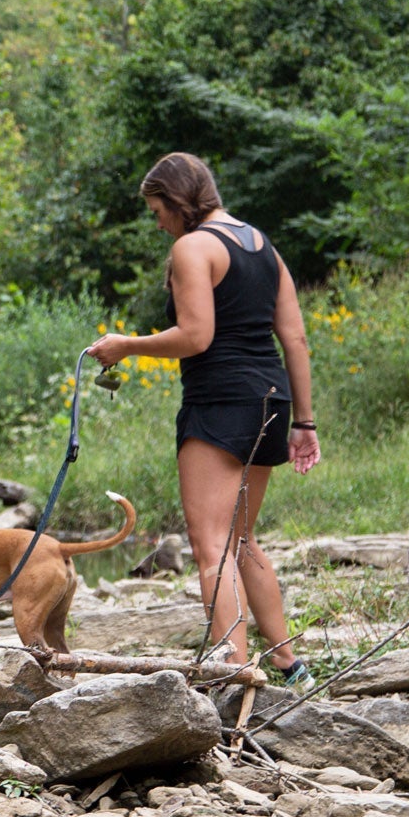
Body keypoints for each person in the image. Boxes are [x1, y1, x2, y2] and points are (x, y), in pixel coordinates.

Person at [85, 152, 320, 686]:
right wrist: (304, 422)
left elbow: (197, 336)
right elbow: (296, 339)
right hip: (271, 398)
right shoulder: (263, 246)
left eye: (158, 210)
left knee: (211, 545)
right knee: (241, 539)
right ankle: (290, 664)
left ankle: (236, 671)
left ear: (178, 199)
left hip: (219, 400)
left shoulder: (193, 247)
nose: (159, 222)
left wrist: (127, 345)